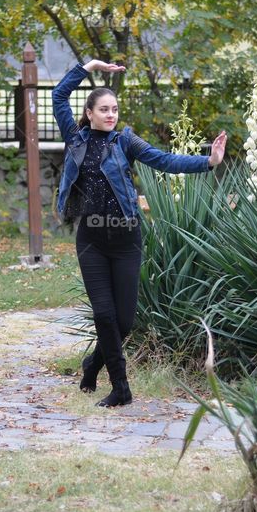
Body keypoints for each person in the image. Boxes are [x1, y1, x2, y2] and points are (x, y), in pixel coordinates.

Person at [52, 59, 227, 407]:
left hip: (126, 239)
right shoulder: (75, 139)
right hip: (92, 240)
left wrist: (208, 162)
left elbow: (164, 160)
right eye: (103, 109)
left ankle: (92, 365)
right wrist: (87, 66)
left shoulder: (126, 141)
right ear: (89, 113)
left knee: (125, 321)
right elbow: (59, 95)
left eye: (114, 109)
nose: (110, 115)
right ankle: (121, 388)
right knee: (104, 314)